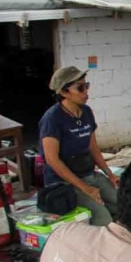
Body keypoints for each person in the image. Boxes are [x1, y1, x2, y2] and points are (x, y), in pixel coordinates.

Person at [39, 66, 118, 226]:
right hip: (64, 182)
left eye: (86, 86)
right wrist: (85, 188)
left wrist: (109, 174)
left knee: (124, 203)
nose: (85, 92)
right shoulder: (52, 119)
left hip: (88, 174)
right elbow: (52, 160)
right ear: (63, 92)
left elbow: (93, 148)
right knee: (103, 218)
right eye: (80, 88)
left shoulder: (86, 111)